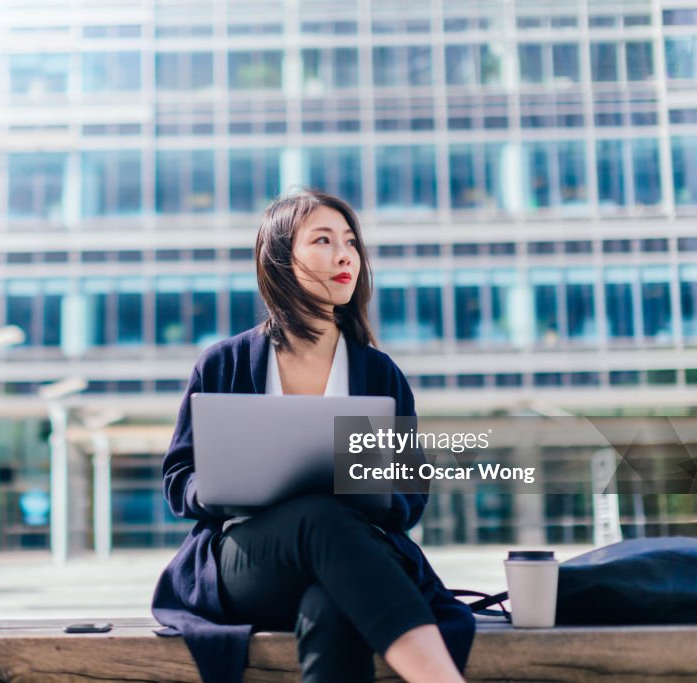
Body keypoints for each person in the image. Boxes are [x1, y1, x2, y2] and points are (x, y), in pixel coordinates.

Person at [152, 188, 475, 683]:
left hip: (351, 554)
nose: (345, 254)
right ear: (281, 259)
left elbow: (412, 492)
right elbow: (179, 479)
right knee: (316, 515)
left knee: (330, 604)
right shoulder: (225, 362)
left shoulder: (379, 372)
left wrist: (375, 488)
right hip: (250, 562)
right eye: (323, 240)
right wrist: (220, 486)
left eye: (350, 242)